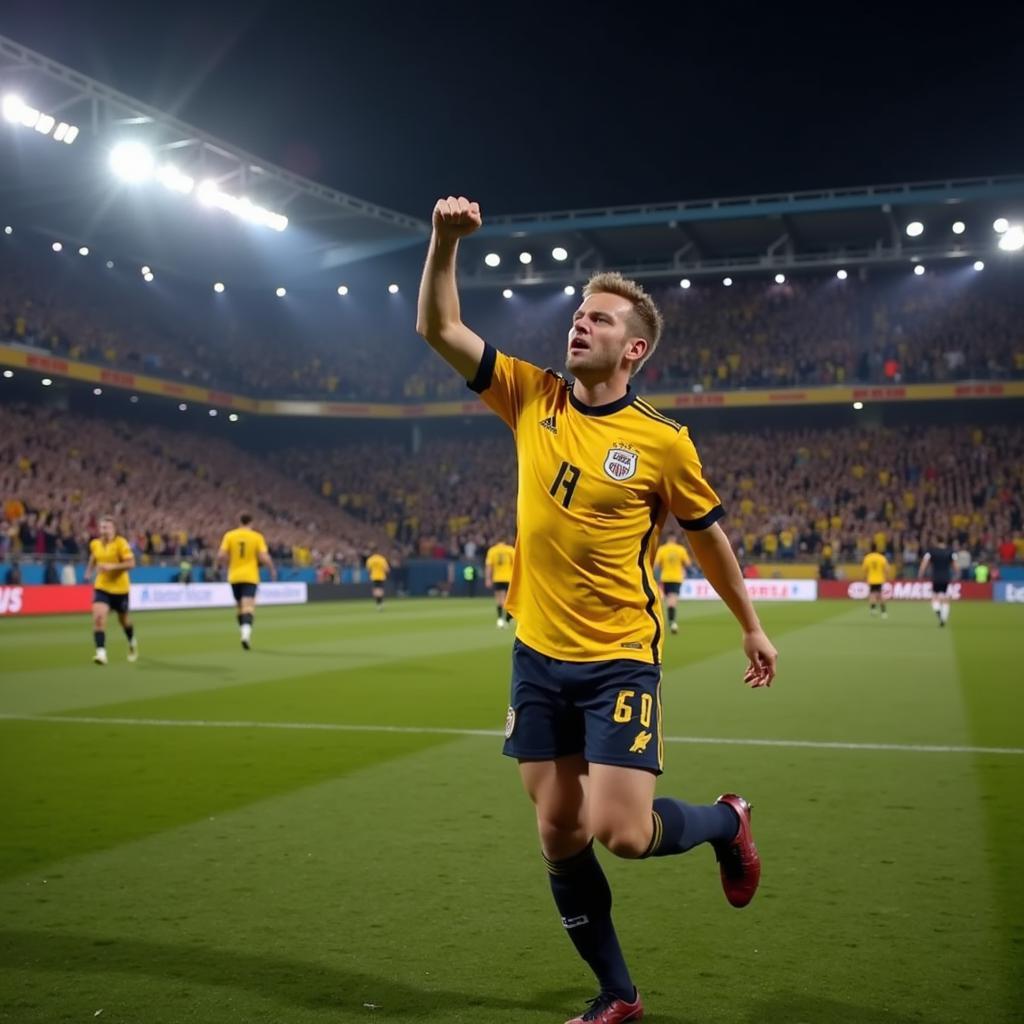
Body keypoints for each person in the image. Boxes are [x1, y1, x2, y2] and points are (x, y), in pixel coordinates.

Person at [416, 196, 778, 1024]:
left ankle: (728, 822)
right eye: (577, 315)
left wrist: (750, 622)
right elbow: (439, 328)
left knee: (621, 831)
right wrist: (443, 244)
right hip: (537, 654)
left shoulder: (662, 442)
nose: (579, 326)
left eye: (600, 319)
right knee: (558, 833)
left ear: (634, 349)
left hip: (617, 655)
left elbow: (710, 537)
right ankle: (619, 994)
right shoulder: (529, 395)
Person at [217, 513, 276, 650]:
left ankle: (243, 632)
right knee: (248, 606)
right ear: (251, 522)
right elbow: (263, 557)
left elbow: (221, 555)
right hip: (250, 576)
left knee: (239, 607)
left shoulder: (230, 535)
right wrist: (271, 569)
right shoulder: (256, 537)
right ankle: (245, 635)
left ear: (239, 521)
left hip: (234, 576)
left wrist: (225, 564)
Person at [84, 515, 137, 665]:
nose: (103, 530)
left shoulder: (121, 543)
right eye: (101, 527)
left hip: (120, 589)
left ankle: (132, 642)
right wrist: (89, 571)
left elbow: (131, 563)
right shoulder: (95, 543)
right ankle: (101, 653)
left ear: (114, 529)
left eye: (106, 527)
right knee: (99, 618)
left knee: (124, 621)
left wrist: (112, 566)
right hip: (102, 587)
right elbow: (94, 557)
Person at [653, 532, 691, 634]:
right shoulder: (680, 549)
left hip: (665, 578)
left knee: (667, 600)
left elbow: (656, 565)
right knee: (672, 600)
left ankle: (661, 622)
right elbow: (688, 564)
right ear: (674, 538)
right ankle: (672, 622)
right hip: (676, 578)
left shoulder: (662, 549)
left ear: (667, 538)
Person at [919, 538, 956, 628]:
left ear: (937, 542)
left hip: (935, 577)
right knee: (945, 598)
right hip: (946, 577)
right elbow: (955, 565)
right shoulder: (950, 551)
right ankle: (944, 618)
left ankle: (938, 612)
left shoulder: (931, 551)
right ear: (944, 542)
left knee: (935, 597)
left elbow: (924, 563)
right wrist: (957, 573)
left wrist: (921, 573)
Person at [485, 537, 516, 628]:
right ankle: (508, 620)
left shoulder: (492, 551)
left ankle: (499, 619)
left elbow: (489, 566)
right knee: (508, 600)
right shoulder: (510, 550)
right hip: (508, 578)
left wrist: (488, 579)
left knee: (499, 599)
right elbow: (515, 565)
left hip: (497, 578)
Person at [861, 543, 890, 619]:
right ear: (877, 549)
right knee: (880, 595)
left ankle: (873, 609)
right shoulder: (881, 558)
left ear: (870, 549)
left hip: (871, 579)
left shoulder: (867, 558)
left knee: (872, 594)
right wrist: (885, 576)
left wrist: (865, 577)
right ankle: (884, 612)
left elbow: (864, 569)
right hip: (880, 579)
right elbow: (887, 569)